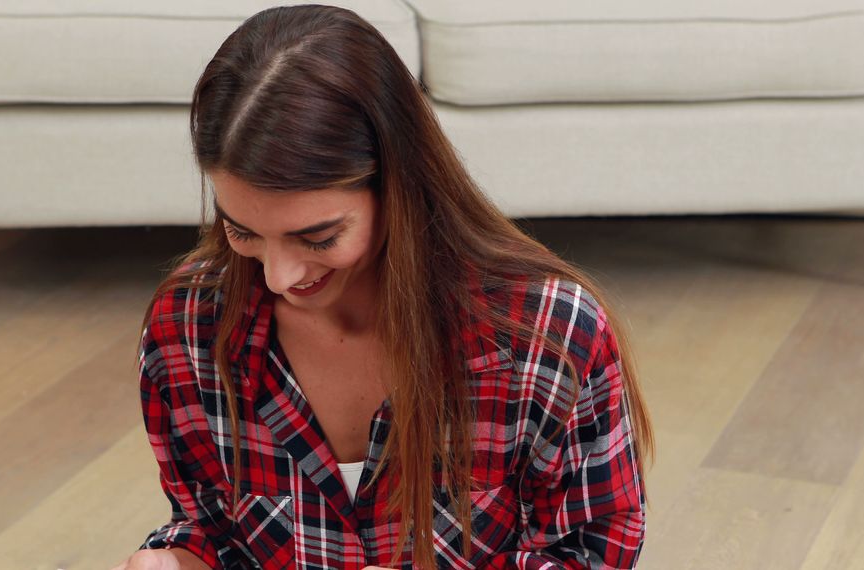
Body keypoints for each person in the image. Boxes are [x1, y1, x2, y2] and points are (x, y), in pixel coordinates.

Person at [111, 5, 653, 569]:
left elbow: (593, 554)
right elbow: (211, 528)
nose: (278, 277)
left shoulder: (548, 335)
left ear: (400, 186)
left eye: (317, 236)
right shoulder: (187, 326)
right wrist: (175, 561)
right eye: (242, 230)